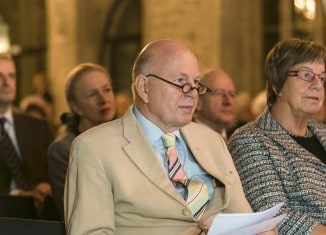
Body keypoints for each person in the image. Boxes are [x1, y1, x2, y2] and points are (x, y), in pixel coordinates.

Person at [64, 40, 277, 235]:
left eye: (195, 82)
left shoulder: (211, 141)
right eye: (180, 81)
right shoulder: (94, 148)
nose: (192, 92)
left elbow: (241, 215)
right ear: (143, 87)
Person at [228, 38, 326, 235]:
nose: (318, 85)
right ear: (276, 84)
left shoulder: (323, 133)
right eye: (307, 75)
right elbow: (273, 215)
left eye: (323, 77)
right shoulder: (250, 140)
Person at [47, 63, 116, 219]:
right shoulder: (63, 150)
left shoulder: (128, 138)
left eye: (107, 90)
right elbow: (76, 212)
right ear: (76, 107)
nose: (104, 99)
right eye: (92, 94)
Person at [0, 53, 55, 217]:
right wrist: (17, 195)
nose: (7, 82)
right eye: (0, 76)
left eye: (11, 76)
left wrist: (48, 185)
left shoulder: (38, 127)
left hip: (43, 216)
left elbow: (59, 168)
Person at [195, 69, 237, 140]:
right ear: (199, 101)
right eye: (219, 93)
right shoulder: (187, 140)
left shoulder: (237, 140)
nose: (228, 101)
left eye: (232, 94)